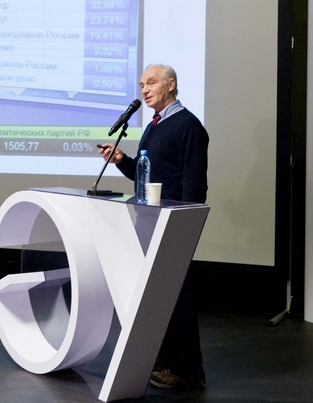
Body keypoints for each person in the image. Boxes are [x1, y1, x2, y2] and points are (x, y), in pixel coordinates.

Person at [98, 63, 209, 390]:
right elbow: (145, 175)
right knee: (155, 297)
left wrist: (184, 227)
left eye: (151, 82)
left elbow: (194, 186)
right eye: (141, 84)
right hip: (148, 221)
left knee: (178, 297)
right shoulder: (153, 125)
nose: (144, 89)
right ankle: (164, 360)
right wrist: (122, 161)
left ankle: (188, 370)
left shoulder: (188, 126)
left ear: (171, 85)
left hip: (172, 226)